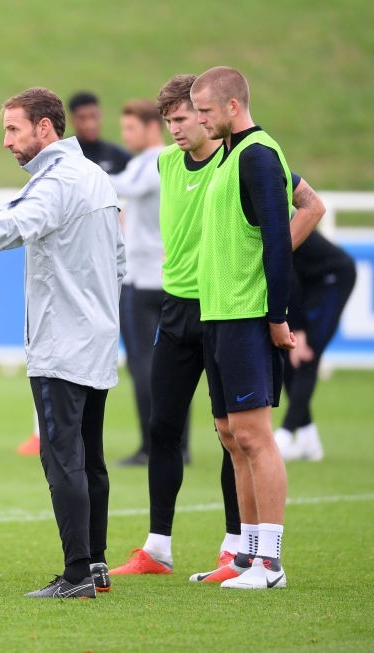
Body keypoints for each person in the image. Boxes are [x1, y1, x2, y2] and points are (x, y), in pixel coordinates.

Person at [110, 74, 324, 578]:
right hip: (183, 309)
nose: (182, 128)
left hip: (233, 308)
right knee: (196, 430)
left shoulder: (250, 156)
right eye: (173, 121)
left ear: (216, 110)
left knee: (245, 433)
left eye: (189, 116)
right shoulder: (167, 163)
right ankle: (163, 546)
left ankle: (247, 551)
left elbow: (304, 210)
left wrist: (271, 303)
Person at [0, 87, 123, 599]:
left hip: (62, 341)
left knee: (63, 459)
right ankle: (97, 565)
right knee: (90, 458)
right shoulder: (95, 176)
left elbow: (13, 226)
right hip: (99, 336)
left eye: (13, 129)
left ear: (45, 128)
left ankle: (77, 573)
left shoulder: (56, 182)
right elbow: (119, 259)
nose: (6, 140)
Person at [190, 66, 293, 590]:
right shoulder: (231, 155)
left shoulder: (257, 154)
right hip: (218, 315)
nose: (199, 119)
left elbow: (278, 237)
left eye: (205, 110)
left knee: (255, 436)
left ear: (233, 106)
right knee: (232, 436)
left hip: (247, 315)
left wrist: (276, 315)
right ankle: (246, 556)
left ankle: (269, 563)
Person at [109, 99, 171, 466]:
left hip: (146, 278)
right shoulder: (143, 163)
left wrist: (78, 174)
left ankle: (153, 446)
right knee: (158, 365)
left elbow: (126, 188)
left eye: (131, 128)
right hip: (154, 277)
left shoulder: (157, 161)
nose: (126, 135)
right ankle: (173, 444)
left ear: (152, 126)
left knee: (144, 364)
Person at [275, 228, 354, 461]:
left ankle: (285, 434)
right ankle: (309, 439)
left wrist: (298, 328)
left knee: (306, 355)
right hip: (307, 282)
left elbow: (288, 276)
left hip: (334, 278)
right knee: (288, 357)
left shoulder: (270, 215)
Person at [67, 91, 131, 174]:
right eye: (82, 118)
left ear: (101, 115)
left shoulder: (119, 155)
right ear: (72, 121)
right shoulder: (65, 155)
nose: (90, 125)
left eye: (93, 116)